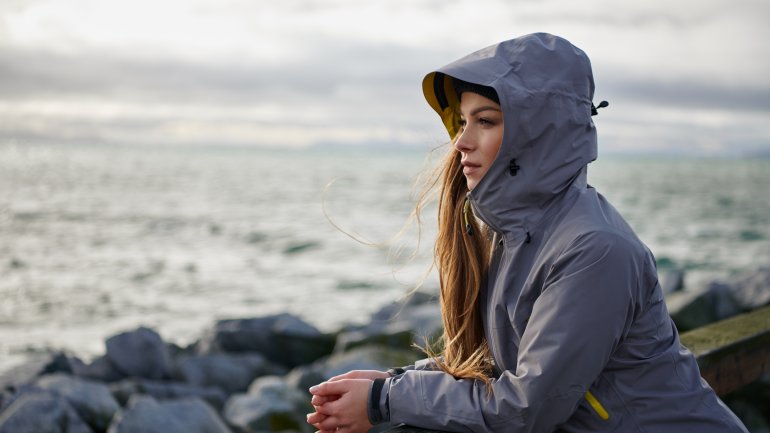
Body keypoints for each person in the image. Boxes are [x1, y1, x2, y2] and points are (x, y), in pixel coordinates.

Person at [307, 33, 748, 433]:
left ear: (537, 133)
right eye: (462, 122)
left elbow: (525, 409)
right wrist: (396, 381)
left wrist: (385, 401)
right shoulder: (513, 233)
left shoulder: (594, 249)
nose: (461, 142)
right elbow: (503, 367)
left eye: (486, 121)